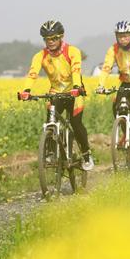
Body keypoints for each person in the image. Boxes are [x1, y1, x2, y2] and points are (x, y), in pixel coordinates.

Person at [18, 20, 94, 171]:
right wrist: (26, 90)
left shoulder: (72, 51)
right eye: (47, 39)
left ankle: (86, 154)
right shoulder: (40, 56)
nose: (50, 42)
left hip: (74, 91)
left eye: (54, 38)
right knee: (50, 121)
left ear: (61, 37)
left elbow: (76, 71)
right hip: (56, 93)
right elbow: (32, 74)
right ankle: (51, 152)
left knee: (76, 123)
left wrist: (77, 87)